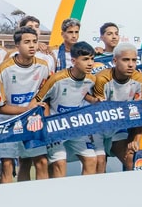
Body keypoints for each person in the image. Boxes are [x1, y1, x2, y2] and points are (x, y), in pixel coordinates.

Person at [0, 27, 52, 183]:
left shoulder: (44, 66)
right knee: (7, 165)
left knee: (41, 162)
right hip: (7, 123)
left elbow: (46, 97)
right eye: (27, 42)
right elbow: (0, 107)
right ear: (17, 46)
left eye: (34, 41)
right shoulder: (3, 70)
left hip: (32, 122)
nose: (32, 45)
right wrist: (26, 109)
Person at [34, 41, 101, 176]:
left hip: (76, 126)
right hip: (56, 128)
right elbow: (39, 100)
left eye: (92, 59)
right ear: (74, 60)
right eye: (85, 59)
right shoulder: (57, 78)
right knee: (60, 163)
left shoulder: (92, 79)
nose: (90, 63)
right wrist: (48, 125)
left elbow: (84, 93)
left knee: (92, 160)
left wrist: (93, 100)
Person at [90, 41, 142, 171]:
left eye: (134, 60)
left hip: (119, 128)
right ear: (115, 61)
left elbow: (140, 113)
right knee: (99, 164)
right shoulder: (102, 79)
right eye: (126, 60)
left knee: (132, 160)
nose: (131, 64)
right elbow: (97, 111)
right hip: (99, 127)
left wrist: (134, 138)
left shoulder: (140, 80)